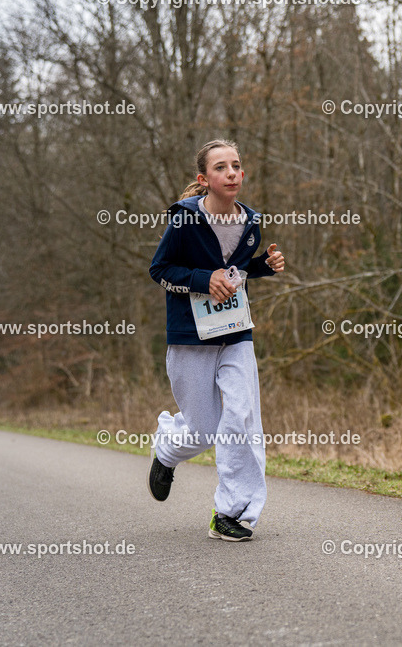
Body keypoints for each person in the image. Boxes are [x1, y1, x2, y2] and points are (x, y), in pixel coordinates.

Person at [148, 139, 285, 541]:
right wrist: (202, 280)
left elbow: (236, 272)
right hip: (191, 338)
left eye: (236, 166)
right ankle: (166, 451)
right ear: (204, 179)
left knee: (241, 418)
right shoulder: (184, 222)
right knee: (204, 430)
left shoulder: (250, 224)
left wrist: (264, 266)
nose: (231, 173)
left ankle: (231, 513)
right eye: (221, 167)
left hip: (237, 334)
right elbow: (160, 270)